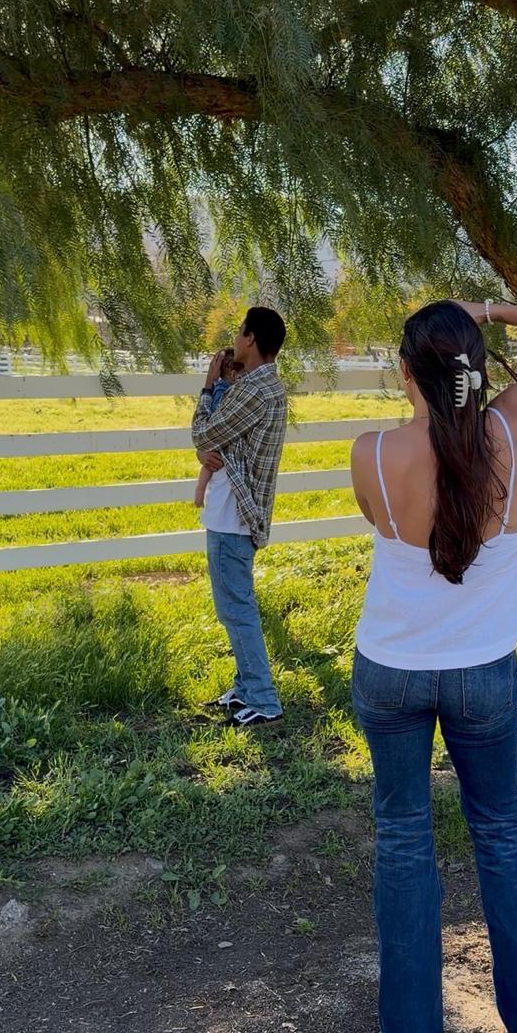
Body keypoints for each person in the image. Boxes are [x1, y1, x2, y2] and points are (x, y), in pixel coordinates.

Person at [350, 297, 517, 1033]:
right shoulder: (510, 431)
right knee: (501, 834)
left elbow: (386, 518)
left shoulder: (369, 454)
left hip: (392, 672)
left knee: (402, 838)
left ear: (406, 375)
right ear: (477, 369)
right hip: (483, 674)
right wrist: (494, 308)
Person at [192, 306, 288, 727]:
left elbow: (204, 434)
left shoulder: (256, 389)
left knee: (236, 606)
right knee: (233, 604)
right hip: (233, 509)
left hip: (234, 512)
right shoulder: (259, 386)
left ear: (250, 338)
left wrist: (209, 386)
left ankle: (263, 697)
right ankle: (248, 686)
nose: (235, 339)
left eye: (239, 331)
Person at [194, 351, 239, 508]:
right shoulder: (226, 390)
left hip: (215, 437)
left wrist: (209, 385)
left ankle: (199, 494)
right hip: (218, 437)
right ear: (233, 374)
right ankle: (199, 493)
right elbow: (219, 415)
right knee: (208, 467)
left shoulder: (218, 388)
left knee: (207, 469)